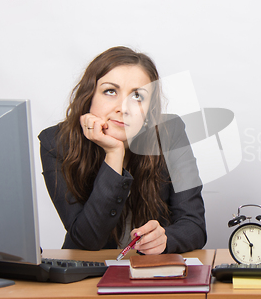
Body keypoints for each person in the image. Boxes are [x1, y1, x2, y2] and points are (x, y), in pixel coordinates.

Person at [39, 46, 206, 254]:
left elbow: (194, 225)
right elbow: (87, 240)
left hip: (150, 270)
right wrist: (114, 153)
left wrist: (165, 239)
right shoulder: (56, 142)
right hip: (86, 275)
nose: (123, 107)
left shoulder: (170, 133)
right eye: (110, 91)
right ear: (89, 95)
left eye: (137, 96)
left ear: (149, 111)